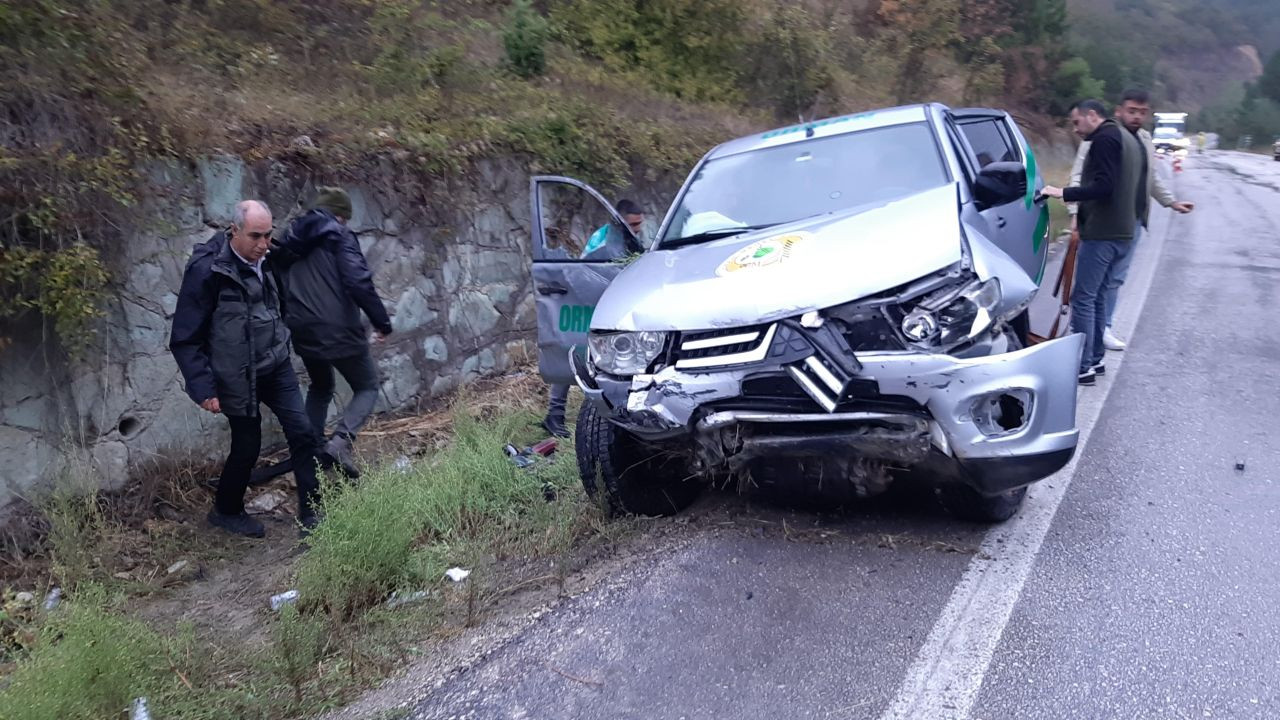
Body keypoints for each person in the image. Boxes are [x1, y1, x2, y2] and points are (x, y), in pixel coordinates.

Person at [170, 200, 322, 537]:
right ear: (234, 231)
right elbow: (184, 337)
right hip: (237, 376)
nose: (263, 244)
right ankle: (226, 510)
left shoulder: (269, 257)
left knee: (302, 431)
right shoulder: (208, 271)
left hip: (276, 365)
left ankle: (312, 515)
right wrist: (203, 387)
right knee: (247, 445)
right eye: (256, 236)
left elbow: (292, 263)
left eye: (268, 235)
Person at [271, 187, 392, 478]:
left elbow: (279, 283)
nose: (345, 223)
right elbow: (358, 281)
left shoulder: (287, 238)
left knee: (321, 386)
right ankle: (341, 443)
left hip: (302, 327)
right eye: (345, 218)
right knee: (367, 386)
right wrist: (381, 322)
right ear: (339, 215)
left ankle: (309, 448)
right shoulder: (338, 235)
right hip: (338, 328)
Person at [1066, 89, 1194, 352]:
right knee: (1093, 289)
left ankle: (1100, 334)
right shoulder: (1100, 138)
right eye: (1132, 111)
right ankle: (1089, 343)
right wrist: (1073, 215)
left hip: (1131, 222)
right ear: (1119, 110)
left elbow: (1151, 178)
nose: (1137, 117)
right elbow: (1080, 177)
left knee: (1110, 282)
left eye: (1142, 112)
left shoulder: (1144, 140)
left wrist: (1170, 202)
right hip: (1102, 222)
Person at [1042, 99, 1147, 386]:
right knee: (1099, 296)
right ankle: (1097, 358)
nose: (1075, 129)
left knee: (1083, 298)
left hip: (1103, 234)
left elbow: (1104, 187)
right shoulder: (1127, 138)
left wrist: (1063, 192)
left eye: (1077, 122)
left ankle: (1083, 365)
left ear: (1092, 116)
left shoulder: (1104, 140)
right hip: (1124, 232)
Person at [542, 199, 646, 438]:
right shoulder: (606, 241)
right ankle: (555, 416)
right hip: (590, 301)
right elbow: (594, 272)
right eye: (634, 223)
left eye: (640, 223)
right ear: (620, 220)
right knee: (574, 353)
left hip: (603, 299)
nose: (638, 228)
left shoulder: (622, 235)